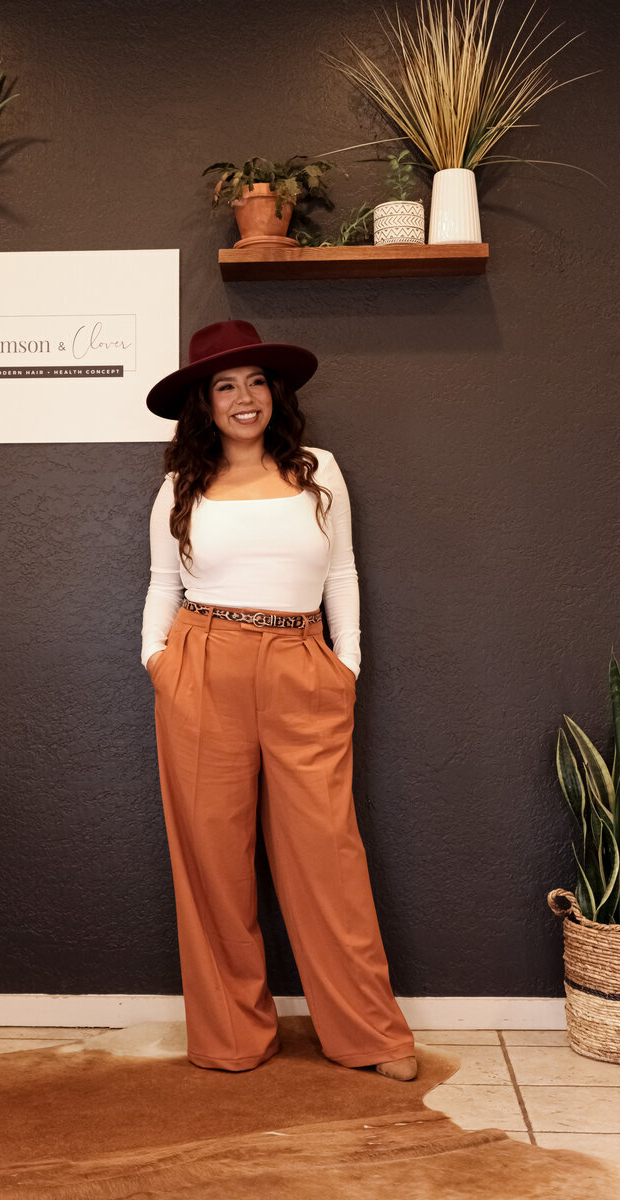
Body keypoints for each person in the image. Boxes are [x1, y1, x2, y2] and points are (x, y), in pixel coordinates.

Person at [141, 319, 417, 1081]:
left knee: (325, 852)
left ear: (276, 393)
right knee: (212, 862)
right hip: (201, 662)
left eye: (256, 382)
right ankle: (232, 1037)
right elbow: (163, 585)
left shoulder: (318, 470)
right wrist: (157, 661)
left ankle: (369, 1035)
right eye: (225, 386)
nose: (244, 397)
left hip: (302, 662)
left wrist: (346, 664)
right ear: (204, 403)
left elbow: (343, 576)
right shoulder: (180, 488)